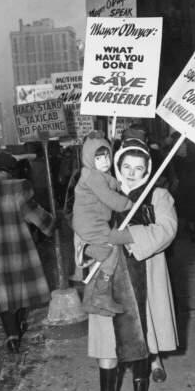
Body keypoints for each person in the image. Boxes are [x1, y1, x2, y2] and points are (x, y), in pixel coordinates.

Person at [76, 134, 178, 391]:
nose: (132, 173)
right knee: (107, 344)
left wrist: (130, 237)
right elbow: (83, 226)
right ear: (118, 165)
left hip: (144, 273)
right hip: (106, 279)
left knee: (142, 330)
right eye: (127, 166)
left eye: (139, 168)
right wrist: (87, 247)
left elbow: (167, 229)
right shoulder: (102, 189)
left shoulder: (158, 195)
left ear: (147, 169)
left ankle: (140, 382)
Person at [0, 152, 55, 353]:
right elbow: (33, 214)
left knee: (3, 294)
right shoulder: (19, 187)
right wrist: (51, 224)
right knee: (20, 289)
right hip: (19, 248)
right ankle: (19, 325)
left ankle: (12, 336)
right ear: (11, 171)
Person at [72, 131, 133, 315]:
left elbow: (111, 183)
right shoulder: (93, 176)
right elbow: (109, 197)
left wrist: (120, 185)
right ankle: (86, 253)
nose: (105, 161)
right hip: (90, 223)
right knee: (111, 249)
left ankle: (89, 301)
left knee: (103, 258)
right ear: (89, 159)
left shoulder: (96, 174)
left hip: (93, 221)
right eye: (98, 158)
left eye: (107, 155)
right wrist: (129, 203)